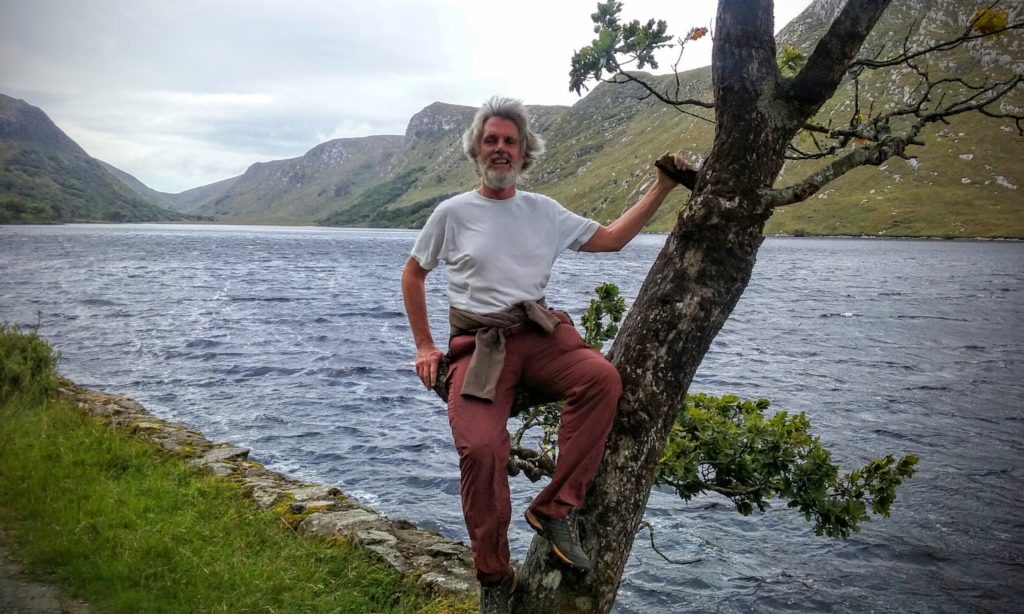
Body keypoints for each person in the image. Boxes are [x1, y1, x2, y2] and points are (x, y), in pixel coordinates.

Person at [400, 96, 690, 613]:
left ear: (524, 150)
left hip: (538, 335)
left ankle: (555, 508)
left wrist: (663, 187)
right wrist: (425, 346)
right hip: (479, 347)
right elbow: (414, 274)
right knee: (482, 449)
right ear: (476, 149)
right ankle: (494, 577)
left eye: (510, 141)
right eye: (491, 139)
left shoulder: (543, 211)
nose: (500, 148)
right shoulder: (452, 213)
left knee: (600, 378)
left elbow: (611, 240)